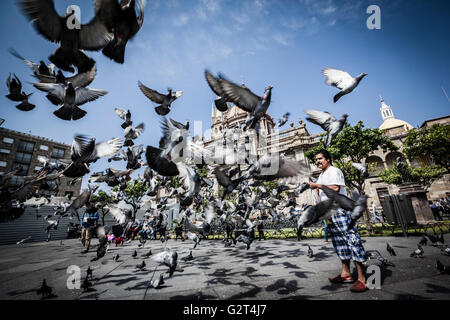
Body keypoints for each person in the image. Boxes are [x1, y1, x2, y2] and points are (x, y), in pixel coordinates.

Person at [308, 149, 368, 293]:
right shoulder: (322, 175)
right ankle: (346, 274)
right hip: (330, 212)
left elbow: (335, 188)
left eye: (320, 158)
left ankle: (362, 279)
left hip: (340, 210)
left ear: (328, 159)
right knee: (340, 244)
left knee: (352, 240)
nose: (318, 161)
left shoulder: (334, 171)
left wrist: (317, 186)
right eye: (316, 159)